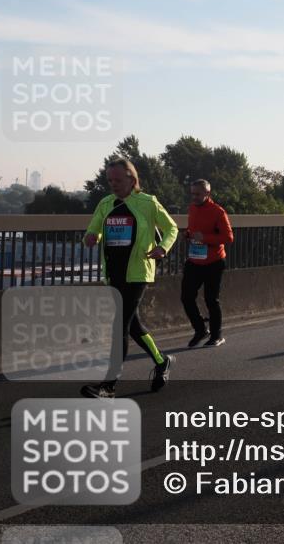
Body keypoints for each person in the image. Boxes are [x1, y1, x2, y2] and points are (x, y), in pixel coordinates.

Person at [81, 158, 178, 399]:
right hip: (114, 272)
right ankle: (162, 361)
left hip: (137, 272)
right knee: (132, 324)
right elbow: (93, 231)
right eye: (110, 180)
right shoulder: (105, 203)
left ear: (132, 180)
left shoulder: (147, 203)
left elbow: (172, 228)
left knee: (119, 325)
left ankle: (109, 386)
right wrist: (91, 237)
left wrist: (162, 248)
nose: (113, 184)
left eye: (118, 180)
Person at [181, 179, 234, 348]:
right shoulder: (192, 208)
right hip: (195, 260)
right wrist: (188, 234)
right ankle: (200, 330)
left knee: (211, 299)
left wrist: (205, 238)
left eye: (197, 194)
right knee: (186, 297)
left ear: (207, 194)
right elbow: (194, 230)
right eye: (192, 194)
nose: (194, 197)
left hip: (214, 261)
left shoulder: (218, 212)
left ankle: (217, 336)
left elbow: (228, 238)